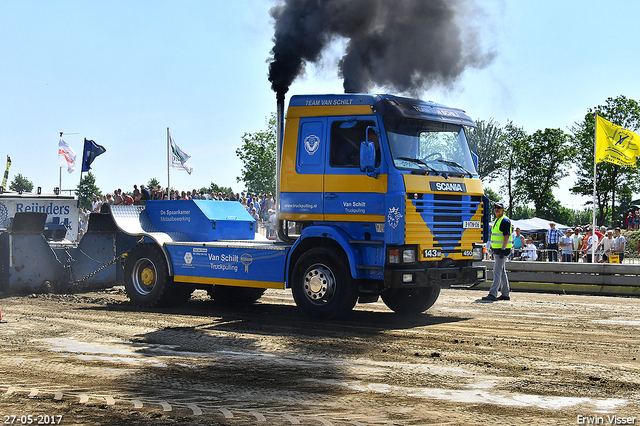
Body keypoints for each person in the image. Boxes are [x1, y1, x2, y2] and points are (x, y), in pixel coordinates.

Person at [482, 202, 512, 302]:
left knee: (497, 272)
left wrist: (503, 249)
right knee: (501, 272)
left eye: (499, 208)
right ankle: (505, 294)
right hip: (498, 250)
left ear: (503, 210)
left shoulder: (504, 221)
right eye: (495, 207)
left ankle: (493, 293)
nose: (496, 209)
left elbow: (506, 236)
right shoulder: (497, 220)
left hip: (501, 250)